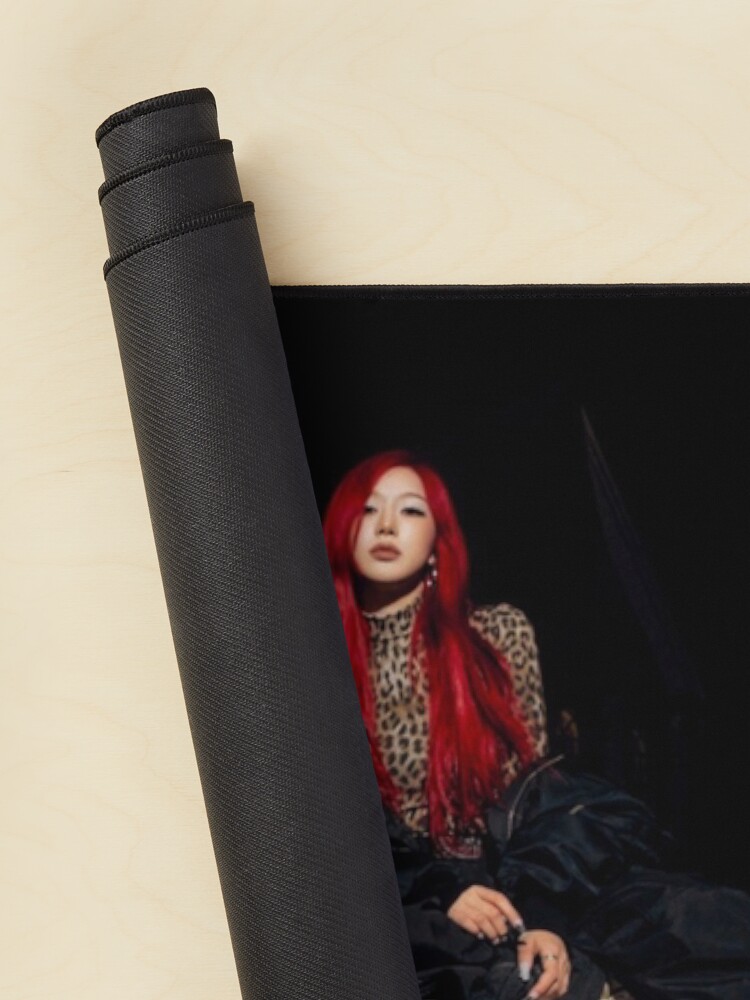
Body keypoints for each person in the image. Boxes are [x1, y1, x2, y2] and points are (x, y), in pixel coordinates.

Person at [322, 448, 750, 1000]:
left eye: (410, 510)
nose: (385, 525)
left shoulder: (495, 637)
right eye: (368, 508)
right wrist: (439, 891)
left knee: (700, 930)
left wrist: (544, 918)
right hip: (405, 899)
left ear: (438, 540)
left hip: (520, 877)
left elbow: (532, 799)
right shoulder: (315, 663)